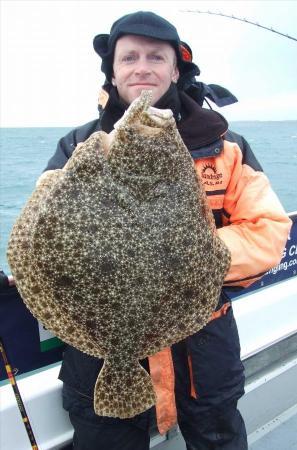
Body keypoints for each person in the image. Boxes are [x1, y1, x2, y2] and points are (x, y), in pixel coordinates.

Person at [45, 11, 291, 450]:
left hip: (203, 352)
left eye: (156, 57)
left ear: (175, 69)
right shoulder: (77, 148)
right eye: (129, 57)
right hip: (102, 352)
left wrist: (184, 258)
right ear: (113, 70)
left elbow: (269, 231)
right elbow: (42, 238)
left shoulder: (227, 147)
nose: (142, 67)